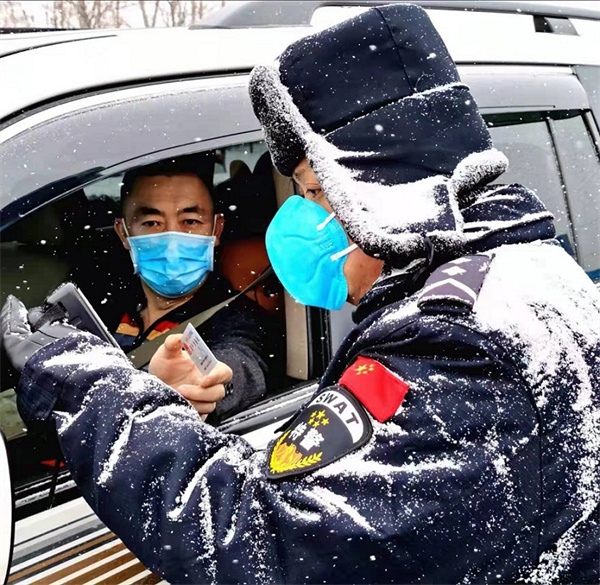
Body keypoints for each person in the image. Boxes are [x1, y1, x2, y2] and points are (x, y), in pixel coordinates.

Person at [1, 4, 598, 584]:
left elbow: (265, 545)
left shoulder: (457, 346)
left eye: (314, 192)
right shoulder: (523, 275)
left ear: (383, 187)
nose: (301, 218)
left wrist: (87, 385)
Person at [109, 154, 283, 421]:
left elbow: (241, 360)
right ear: (124, 233)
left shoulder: (239, 318)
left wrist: (201, 382)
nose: (172, 240)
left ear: (216, 230)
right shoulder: (105, 300)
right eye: (152, 223)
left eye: (190, 221)